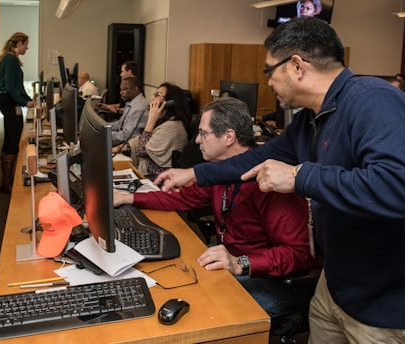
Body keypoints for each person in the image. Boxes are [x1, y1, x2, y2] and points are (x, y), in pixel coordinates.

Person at [155, 17, 405, 343]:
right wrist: (194, 173)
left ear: (296, 66)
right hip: (338, 285)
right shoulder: (313, 118)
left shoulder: (374, 101)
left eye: (270, 71)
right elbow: (256, 159)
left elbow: (401, 188)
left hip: (392, 298)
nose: (267, 82)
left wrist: (299, 175)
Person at [114, 97, 314, 315]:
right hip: (229, 261)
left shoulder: (268, 182)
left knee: (202, 311)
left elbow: (300, 254)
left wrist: (240, 262)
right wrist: (128, 198)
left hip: (267, 278)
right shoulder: (220, 171)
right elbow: (181, 199)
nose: (197, 141)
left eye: (203, 133)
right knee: (164, 278)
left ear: (228, 136)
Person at [0, 32, 35, 193]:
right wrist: (25, 102)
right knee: (13, 139)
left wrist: (29, 99)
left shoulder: (8, 58)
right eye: (26, 44)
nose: (27, 47)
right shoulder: (11, 60)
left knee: (9, 138)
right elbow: (12, 88)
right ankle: (6, 182)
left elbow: (17, 87)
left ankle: (7, 178)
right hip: (10, 103)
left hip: (8, 102)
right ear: (19, 44)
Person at [126, 82, 191, 176]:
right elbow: (139, 140)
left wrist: (151, 121)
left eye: (157, 95)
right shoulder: (165, 122)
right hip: (149, 177)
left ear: (169, 102)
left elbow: (141, 150)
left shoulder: (172, 127)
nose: (152, 98)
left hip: (156, 180)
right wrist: (112, 150)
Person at [110, 76, 148, 147]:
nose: (121, 93)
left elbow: (126, 136)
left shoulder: (138, 108)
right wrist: (104, 127)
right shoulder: (131, 103)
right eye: (120, 90)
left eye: (124, 89)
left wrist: (104, 134)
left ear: (135, 89)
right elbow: (119, 124)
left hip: (128, 146)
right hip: (123, 142)